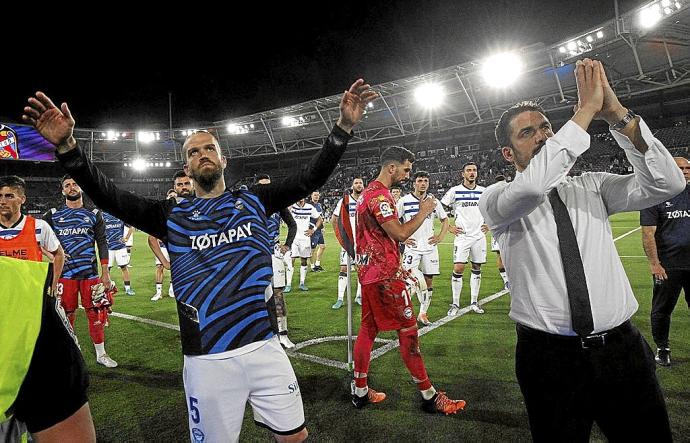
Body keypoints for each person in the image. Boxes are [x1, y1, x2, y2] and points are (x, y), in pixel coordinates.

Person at [23, 79, 376, 442]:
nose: (202, 154)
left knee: (295, 438)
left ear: (223, 159)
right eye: (193, 152)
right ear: (186, 169)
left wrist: (343, 127)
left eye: (209, 148)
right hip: (207, 359)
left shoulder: (255, 201)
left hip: (264, 348)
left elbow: (310, 177)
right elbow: (109, 196)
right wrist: (68, 148)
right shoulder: (169, 216)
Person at [479, 58, 683, 441]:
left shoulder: (593, 185)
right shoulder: (496, 199)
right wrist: (586, 110)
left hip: (622, 350)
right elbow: (532, 188)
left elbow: (667, 184)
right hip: (549, 358)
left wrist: (616, 115)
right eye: (527, 134)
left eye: (545, 128)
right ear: (508, 154)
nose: (541, 136)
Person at [352, 145, 465, 414]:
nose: (407, 174)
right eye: (406, 169)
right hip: (385, 277)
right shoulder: (379, 197)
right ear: (392, 167)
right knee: (408, 331)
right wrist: (424, 211)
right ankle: (430, 396)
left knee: (368, 329)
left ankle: (360, 391)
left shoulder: (365, 194)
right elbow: (400, 233)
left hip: (368, 274)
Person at [0, 176, 94, 442]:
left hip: (36, 310)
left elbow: (58, 254)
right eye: (0, 196)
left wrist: (52, 287)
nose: (3, 201)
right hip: (5, 314)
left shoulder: (38, 227)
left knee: (59, 365)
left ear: (22, 199)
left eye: (9, 195)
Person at [43, 175, 117, 368]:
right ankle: (70, 352)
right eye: (67, 185)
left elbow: (102, 242)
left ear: (81, 188)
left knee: (96, 314)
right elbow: (38, 238)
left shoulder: (94, 214)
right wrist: (53, 257)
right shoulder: (53, 215)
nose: (71, 187)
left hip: (90, 275)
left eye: (75, 184)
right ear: (62, 191)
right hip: (64, 275)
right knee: (66, 316)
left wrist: (105, 271)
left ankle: (101, 354)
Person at [640, 156, 690, 366]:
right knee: (662, 310)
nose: (686, 171)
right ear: (670, 170)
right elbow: (648, 233)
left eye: (688, 167)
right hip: (668, 266)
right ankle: (663, 349)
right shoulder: (656, 196)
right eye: (681, 168)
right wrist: (654, 264)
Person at [396, 171, 448, 325]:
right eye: (420, 180)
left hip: (430, 248)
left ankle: (423, 313)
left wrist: (440, 237)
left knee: (428, 281)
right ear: (414, 183)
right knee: (408, 280)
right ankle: (402, 312)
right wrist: (403, 237)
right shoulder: (404, 201)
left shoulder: (433, 202)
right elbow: (395, 221)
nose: (423, 183)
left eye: (425, 180)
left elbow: (445, 220)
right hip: (412, 248)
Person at [256, 173, 298, 349]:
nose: (266, 188)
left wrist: (287, 245)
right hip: (256, 254)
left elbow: (292, 225)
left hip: (273, 253)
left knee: (278, 293)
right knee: (257, 295)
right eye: (262, 185)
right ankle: (263, 333)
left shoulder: (278, 204)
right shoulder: (250, 205)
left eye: (268, 185)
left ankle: (283, 334)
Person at [441, 162, 487, 315]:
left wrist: (489, 224)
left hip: (479, 236)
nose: (472, 173)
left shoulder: (483, 191)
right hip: (462, 236)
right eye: (468, 170)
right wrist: (449, 227)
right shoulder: (455, 191)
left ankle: (474, 302)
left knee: (477, 267)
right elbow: (440, 209)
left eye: (474, 170)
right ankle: (455, 304)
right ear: (463, 174)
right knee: (458, 268)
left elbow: (492, 208)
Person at [331, 177, 364, 309]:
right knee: (344, 269)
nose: (358, 185)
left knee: (361, 270)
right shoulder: (344, 201)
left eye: (360, 183)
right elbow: (334, 219)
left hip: (363, 243)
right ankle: (340, 298)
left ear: (363, 185)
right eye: (356, 183)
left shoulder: (366, 200)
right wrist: (340, 237)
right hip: (348, 242)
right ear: (352, 186)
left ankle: (359, 296)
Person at [286, 197, 322, 292]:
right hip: (293, 237)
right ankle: (288, 284)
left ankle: (302, 283)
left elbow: (319, 219)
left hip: (305, 238)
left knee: (304, 260)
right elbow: (284, 213)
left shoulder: (310, 207)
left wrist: (313, 230)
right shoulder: (292, 207)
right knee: (291, 260)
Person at [148, 189, 177, 301]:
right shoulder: (160, 214)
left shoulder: (181, 213)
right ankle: (158, 292)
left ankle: (171, 289)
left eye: (174, 196)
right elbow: (151, 236)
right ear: (167, 197)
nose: (172, 198)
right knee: (160, 266)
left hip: (175, 247)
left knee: (176, 268)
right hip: (163, 246)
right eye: (170, 196)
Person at [103, 211, 135, 295]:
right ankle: (107, 289)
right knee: (107, 269)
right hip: (108, 248)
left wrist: (126, 238)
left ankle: (128, 288)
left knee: (124, 267)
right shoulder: (103, 216)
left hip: (120, 247)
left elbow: (131, 227)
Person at [489, 175, 510, 291]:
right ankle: (506, 280)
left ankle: (509, 280)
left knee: (505, 255)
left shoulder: (491, 196)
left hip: (505, 228)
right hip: (499, 229)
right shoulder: (493, 196)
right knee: (501, 255)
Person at [309, 190, 326, 272]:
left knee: (322, 246)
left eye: (318, 195)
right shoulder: (309, 206)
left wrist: (322, 227)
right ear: (311, 196)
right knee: (312, 249)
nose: (316, 196)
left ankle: (317, 264)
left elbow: (320, 218)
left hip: (319, 230)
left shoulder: (319, 205)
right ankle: (312, 266)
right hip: (313, 230)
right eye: (315, 195)